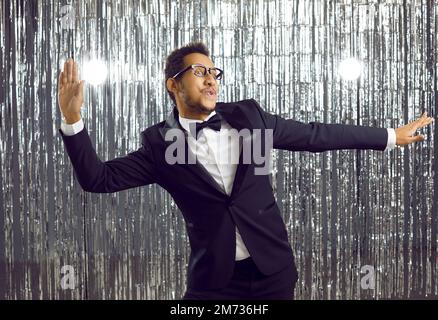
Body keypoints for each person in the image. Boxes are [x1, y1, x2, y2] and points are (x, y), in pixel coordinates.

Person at [57, 42, 434, 300]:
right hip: (214, 283)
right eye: (199, 71)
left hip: (273, 272)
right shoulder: (160, 144)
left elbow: (316, 135)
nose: (211, 79)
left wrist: (389, 136)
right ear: (173, 84)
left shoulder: (250, 117)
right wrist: (72, 120)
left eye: (214, 72)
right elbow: (98, 179)